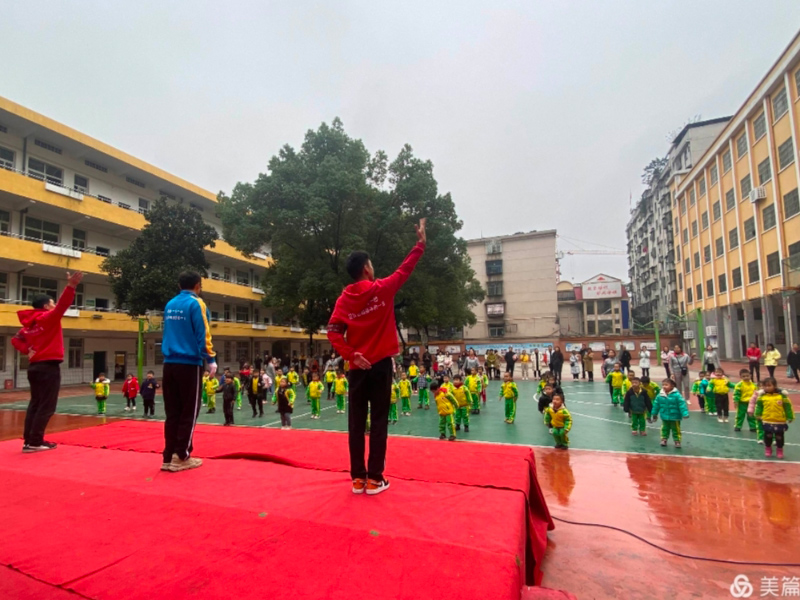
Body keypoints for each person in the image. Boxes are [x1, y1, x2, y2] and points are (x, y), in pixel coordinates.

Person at [326, 218, 426, 495]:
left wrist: (350, 355)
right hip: (381, 365)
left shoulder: (344, 300)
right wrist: (420, 244)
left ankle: (358, 479)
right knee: (379, 420)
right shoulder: (383, 288)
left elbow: (333, 332)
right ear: (367, 269)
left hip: (357, 368)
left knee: (356, 423)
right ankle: (374, 480)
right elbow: (405, 269)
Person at [12, 270, 84, 453]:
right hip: (48, 367)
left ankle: (29, 440)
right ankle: (35, 442)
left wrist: (26, 350)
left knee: (35, 404)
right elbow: (62, 306)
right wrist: (71, 286)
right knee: (46, 406)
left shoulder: (28, 325)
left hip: (34, 367)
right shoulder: (47, 318)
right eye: (51, 303)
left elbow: (15, 340)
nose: (54, 305)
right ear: (45, 306)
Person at [160, 271, 217, 473]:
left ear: (179, 285)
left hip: (169, 363)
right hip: (189, 364)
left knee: (172, 412)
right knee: (189, 411)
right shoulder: (197, 304)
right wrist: (210, 359)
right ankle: (181, 456)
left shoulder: (170, 304)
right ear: (198, 286)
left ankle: (168, 456)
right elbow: (203, 333)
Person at [751, 377, 794, 459]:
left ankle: (779, 449)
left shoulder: (782, 396)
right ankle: (768, 448)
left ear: (775, 386)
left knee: (779, 437)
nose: (767, 388)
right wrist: (757, 414)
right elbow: (759, 406)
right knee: (768, 436)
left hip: (779, 421)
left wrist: (790, 416)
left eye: (769, 385)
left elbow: (787, 407)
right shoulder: (762, 397)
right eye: (765, 386)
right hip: (767, 420)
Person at [651, 378, 690, 448]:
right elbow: (656, 405)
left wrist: (685, 413)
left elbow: (682, 404)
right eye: (663, 385)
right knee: (664, 428)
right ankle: (664, 439)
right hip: (664, 416)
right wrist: (654, 413)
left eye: (666, 385)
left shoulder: (677, 395)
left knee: (676, 429)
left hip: (675, 416)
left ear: (672, 386)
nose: (664, 386)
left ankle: (677, 441)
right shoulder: (660, 395)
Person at [733, 369, 757, 433]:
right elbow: (736, 394)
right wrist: (736, 401)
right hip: (742, 403)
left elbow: (756, 394)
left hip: (751, 403)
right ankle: (738, 426)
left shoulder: (753, 385)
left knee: (751, 415)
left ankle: (753, 427)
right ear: (740, 377)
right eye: (743, 376)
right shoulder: (739, 385)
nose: (746, 377)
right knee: (740, 415)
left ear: (750, 376)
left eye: (747, 376)